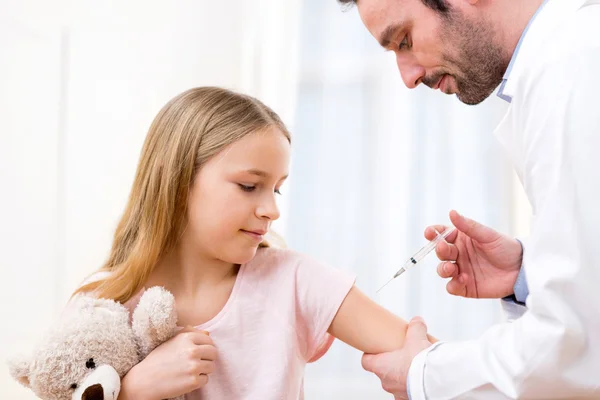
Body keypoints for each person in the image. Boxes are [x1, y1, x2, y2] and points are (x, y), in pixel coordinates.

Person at [74, 86, 434, 399]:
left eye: (276, 188)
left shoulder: (295, 280)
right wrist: (134, 390)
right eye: (250, 186)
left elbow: (430, 366)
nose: (272, 210)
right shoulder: (100, 308)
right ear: (177, 179)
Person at [336, 0, 600, 398]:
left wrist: (423, 373)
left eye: (405, 40)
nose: (408, 77)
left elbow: (577, 344)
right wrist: (527, 274)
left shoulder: (572, 71)